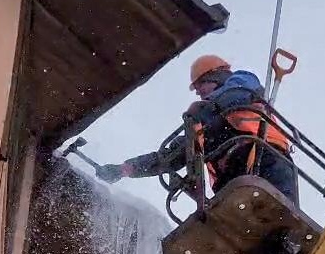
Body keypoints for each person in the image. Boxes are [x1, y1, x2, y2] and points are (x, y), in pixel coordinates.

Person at [94, 55, 299, 206]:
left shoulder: (240, 82)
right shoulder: (203, 125)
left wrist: (205, 107)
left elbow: (235, 95)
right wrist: (124, 169)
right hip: (233, 180)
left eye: (201, 84)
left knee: (284, 218)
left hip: (267, 160)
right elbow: (169, 157)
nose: (199, 92)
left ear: (217, 75)